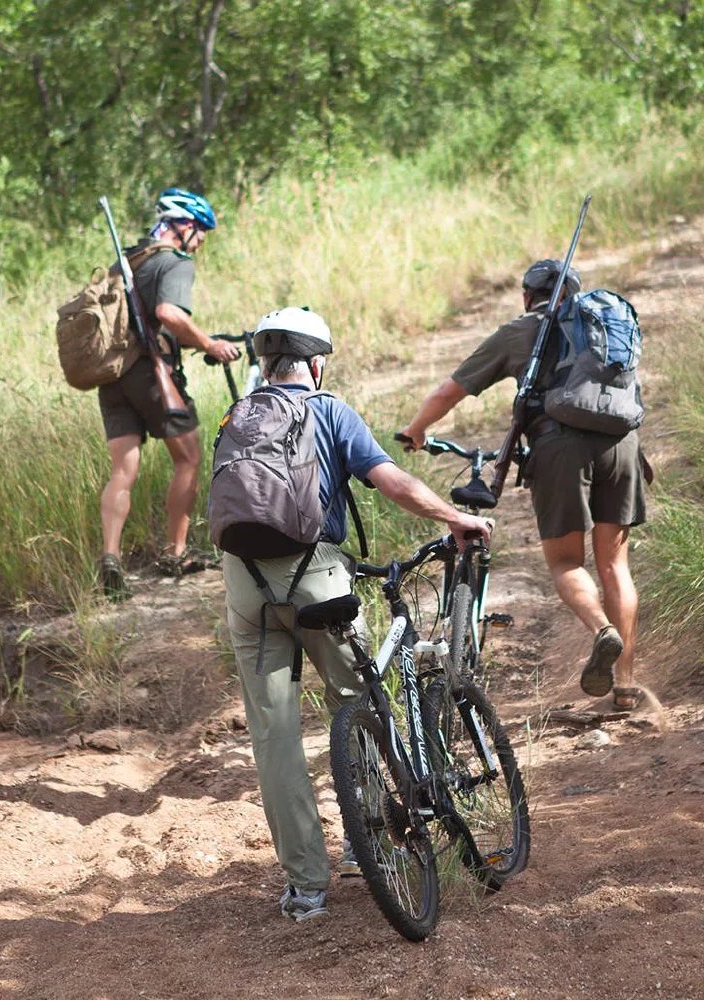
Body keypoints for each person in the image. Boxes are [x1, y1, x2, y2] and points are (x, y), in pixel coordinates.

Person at [221, 306, 491, 923]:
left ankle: (306, 889)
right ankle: (366, 840)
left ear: (265, 363)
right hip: (316, 577)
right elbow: (390, 482)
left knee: (274, 736)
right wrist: (454, 518)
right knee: (358, 701)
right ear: (316, 363)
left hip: (245, 586)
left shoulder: (238, 416)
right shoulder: (329, 410)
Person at [400, 260, 647, 711]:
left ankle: (601, 632)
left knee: (567, 563)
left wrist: (416, 431)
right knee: (615, 565)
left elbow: (446, 393)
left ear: (527, 296)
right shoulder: (603, 330)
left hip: (560, 448)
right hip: (625, 445)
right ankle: (626, 688)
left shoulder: (522, 330)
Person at [97, 187, 240, 600]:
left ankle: (111, 557)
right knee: (190, 457)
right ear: (185, 227)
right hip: (152, 374)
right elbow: (168, 314)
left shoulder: (125, 261)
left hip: (113, 377)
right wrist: (209, 344)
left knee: (123, 471)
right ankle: (175, 553)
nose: (200, 243)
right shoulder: (173, 263)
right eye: (201, 234)